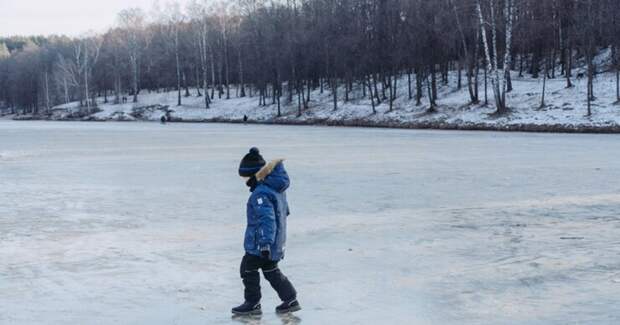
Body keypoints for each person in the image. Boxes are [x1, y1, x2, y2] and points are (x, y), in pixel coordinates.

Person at [232, 148, 301, 316]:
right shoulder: (276, 189)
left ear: (255, 175)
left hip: (261, 243)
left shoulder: (260, 193)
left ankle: (252, 303)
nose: (245, 182)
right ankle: (290, 299)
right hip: (275, 241)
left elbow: (267, 219)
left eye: (246, 178)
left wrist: (264, 243)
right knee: (271, 270)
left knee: (248, 268)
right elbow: (283, 212)